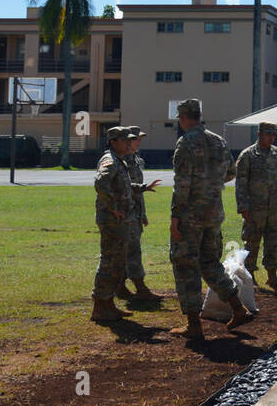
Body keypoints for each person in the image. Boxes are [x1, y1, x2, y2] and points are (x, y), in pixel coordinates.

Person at [169, 98, 253, 339]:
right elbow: (231, 172)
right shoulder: (218, 140)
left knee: (186, 265)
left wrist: (175, 216)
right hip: (214, 213)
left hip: (190, 215)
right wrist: (211, 186)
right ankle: (238, 309)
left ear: (184, 118)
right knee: (209, 262)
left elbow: (182, 184)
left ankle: (193, 325)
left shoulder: (185, 143)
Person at [235, 120, 277, 289]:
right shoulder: (248, 155)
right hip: (255, 209)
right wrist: (243, 207)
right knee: (252, 243)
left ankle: (272, 275)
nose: (271, 137)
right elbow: (241, 183)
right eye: (268, 134)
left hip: (275, 208)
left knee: (272, 242)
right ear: (259, 134)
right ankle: (249, 276)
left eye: (273, 134)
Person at [91, 127, 136, 324]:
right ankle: (100, 306)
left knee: (117, 261)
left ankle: (108, 304)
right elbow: (101, 183)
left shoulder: (119, 161)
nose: (129, 143)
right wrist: (113, 208)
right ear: (113, 141)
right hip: (112, 220)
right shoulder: (109, 160)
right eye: (125, 140)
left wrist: (142, 188)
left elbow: (121, 188)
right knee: (110, 261)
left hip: (119, 220)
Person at [118, 126, 161, 303]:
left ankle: (120, 286)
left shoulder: (135, 159)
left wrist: (142, 213)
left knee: (128, 249)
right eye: (136, 139)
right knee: (132, 250)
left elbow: (138, 190)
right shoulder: (122, 160)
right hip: (126, 213)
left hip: (134, 211)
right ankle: (139, 287)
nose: (139, 142)